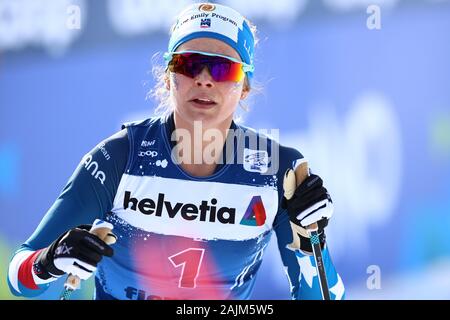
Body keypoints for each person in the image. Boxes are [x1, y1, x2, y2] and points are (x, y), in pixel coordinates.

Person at [7, 2, 344, 300]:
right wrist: (49, 260)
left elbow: (324, 295)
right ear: (168, 77)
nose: (204, 80)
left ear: (244, 86)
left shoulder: (277, 168)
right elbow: (17, 277)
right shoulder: (119, 158)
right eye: (188, 64)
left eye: (223, 68)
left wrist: (312, 238)